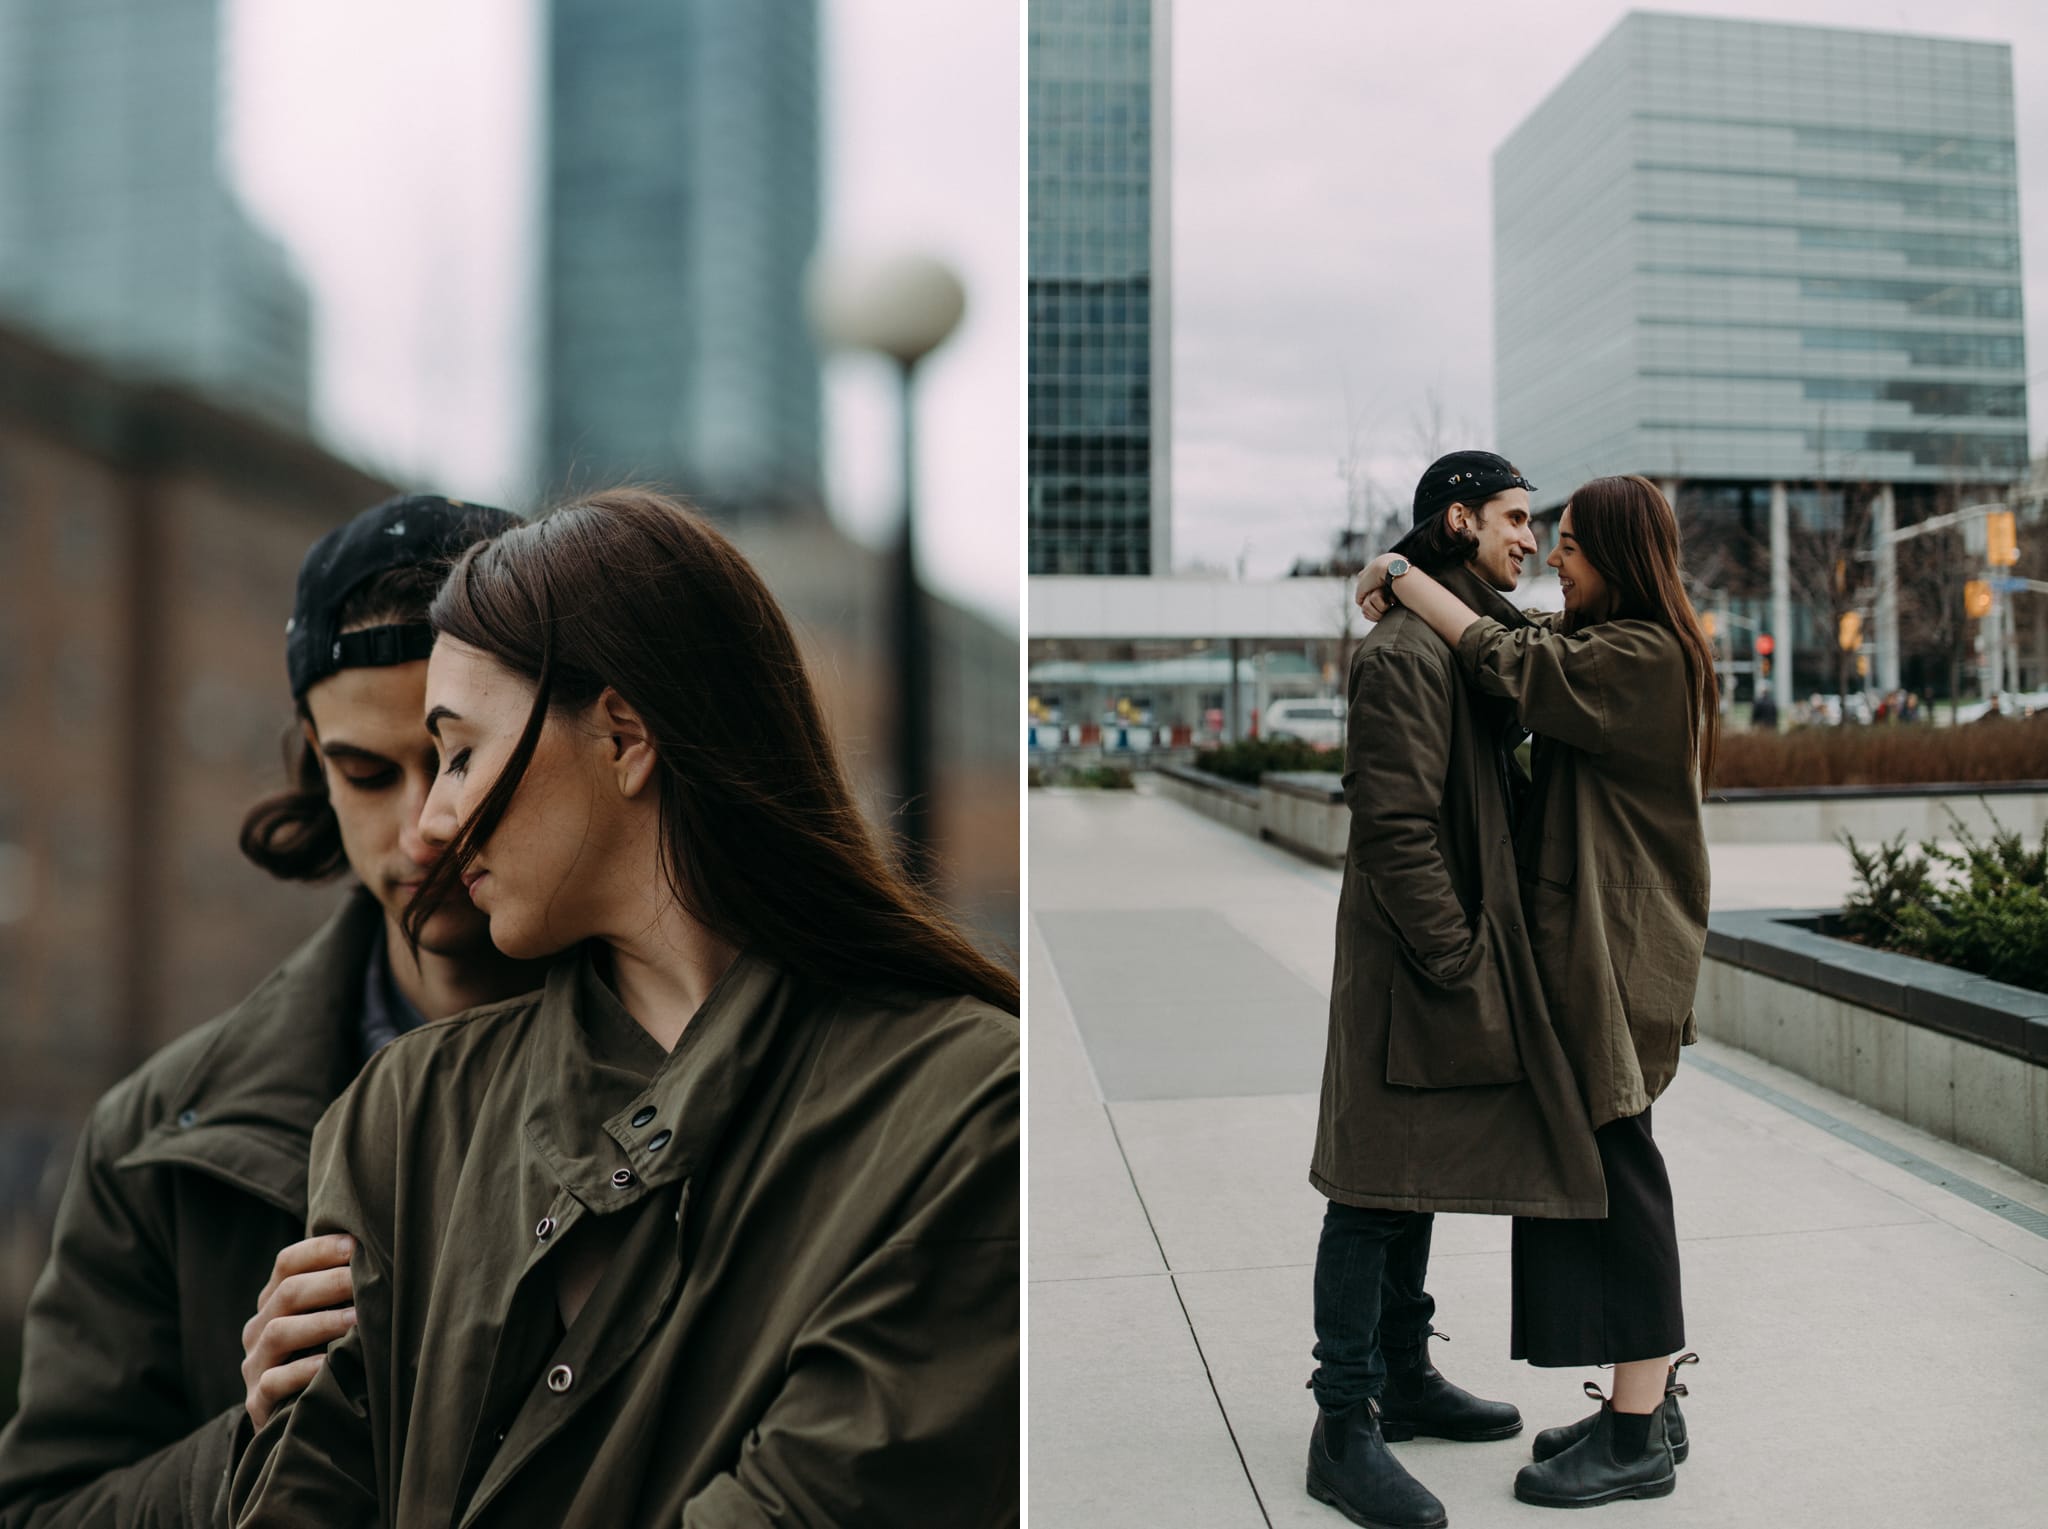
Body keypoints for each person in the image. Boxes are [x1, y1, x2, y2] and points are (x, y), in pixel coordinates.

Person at [228, 489, 1022, 1528]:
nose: (434, 818)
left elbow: (823, 1500)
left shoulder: (965, 1108)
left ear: (623, 733)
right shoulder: (405, 1110)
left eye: (462, 752)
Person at [0, 495, 547, 1528]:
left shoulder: (712, 1053)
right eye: (366, 770)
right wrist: (253, 1440)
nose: (425, 825)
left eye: (462, 758)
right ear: (311, 761)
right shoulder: (157, 1134)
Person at [1355, 473, 1717, 1510]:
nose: (1552, 555)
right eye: (1540, 535)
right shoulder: (1612, 647)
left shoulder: (1645, 658)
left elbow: (1502, 654)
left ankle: (1639, 1431)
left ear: (1616, 551)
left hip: (1616, 949)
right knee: (1597, 1161)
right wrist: (1405, 578)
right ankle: (1640, 1401)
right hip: (1593, 943)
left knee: (1619, 1170)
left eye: (1569, 542)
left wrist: (1394, 574)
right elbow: (1516, 633)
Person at [1307, 452, 1606, 1529]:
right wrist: (1456, 957)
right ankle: (1341, 1421)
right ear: (1459, 518)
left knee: (1412, 1173)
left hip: (1441, 960)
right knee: (1368, 1185)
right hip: (1410, 968)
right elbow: (1390, 826)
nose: (1530, 538)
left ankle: (1402, 1371)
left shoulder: (1455, 637)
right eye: (1516, 519)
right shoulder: (1400, 655)